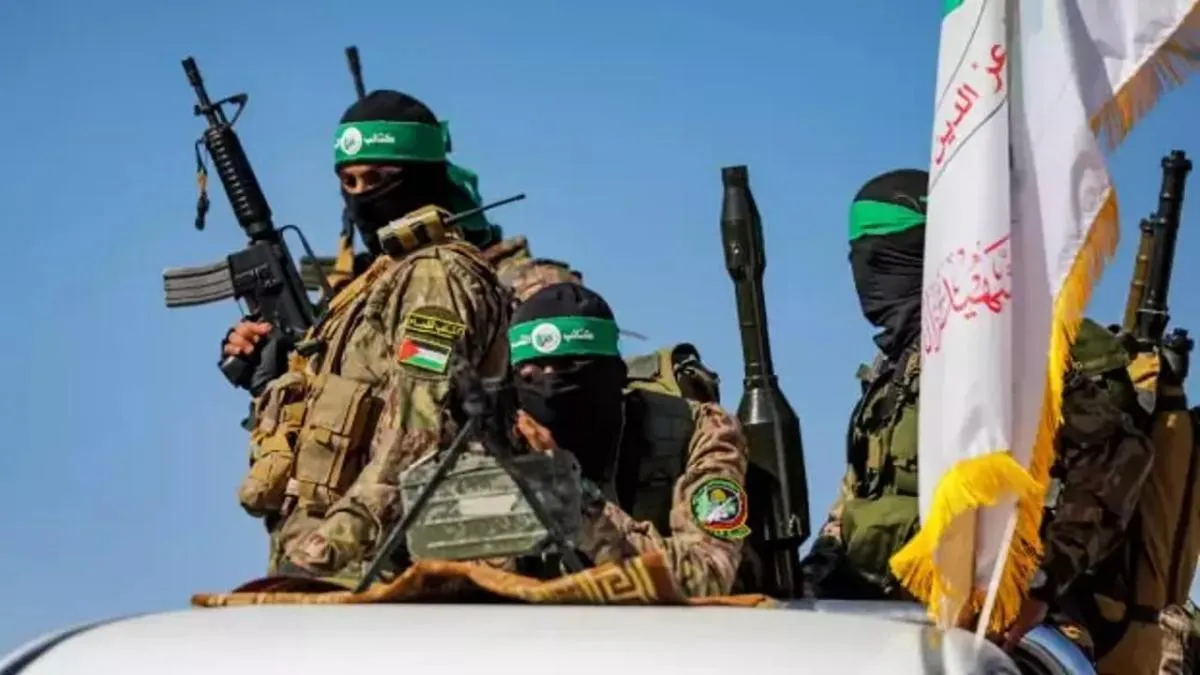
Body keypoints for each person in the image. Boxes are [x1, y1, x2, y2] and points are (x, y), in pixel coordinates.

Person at [288, 282, 750, 597]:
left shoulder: (700, 430)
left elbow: (706, 577)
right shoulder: (489, 442)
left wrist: (572, 497)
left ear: (614, 374)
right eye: (530, 374)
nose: (549, 386)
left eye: (569, 370)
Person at [234, 89, 510, 574]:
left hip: (385, 564)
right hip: (332, 560)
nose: (361, 195)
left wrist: (335, 541)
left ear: (422, 177)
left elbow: (419, 423)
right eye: (349, 181)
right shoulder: (373, 282)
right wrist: (273, 377)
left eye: (378, 179)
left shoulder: (434, 277)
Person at [798, 168, 927, 600]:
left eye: (886, 257)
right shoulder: (890, 372)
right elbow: (855, 496)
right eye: (859, 256)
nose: (867, 274)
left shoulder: (1003, 357)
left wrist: (1040, 587)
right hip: (888, 605)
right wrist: (819, 567)